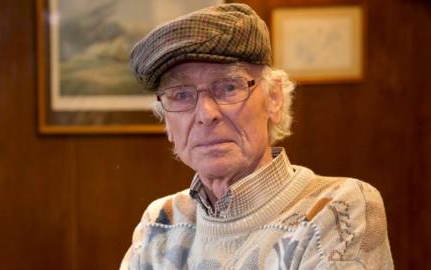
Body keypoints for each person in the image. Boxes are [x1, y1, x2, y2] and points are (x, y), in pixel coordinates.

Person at [121, 3, 393, 269]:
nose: (205, 113)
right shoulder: (161, 221)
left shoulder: (335, 209)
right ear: (168, 124)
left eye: (228, 87)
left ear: (274, 98)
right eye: (181, 95)